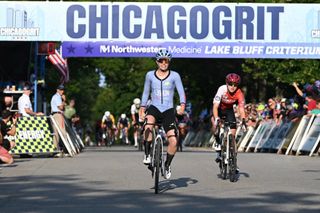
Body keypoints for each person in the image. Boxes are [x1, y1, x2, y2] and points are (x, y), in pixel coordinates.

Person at [139, 49, 186, 179]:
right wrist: (142, 108)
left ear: (169, 62)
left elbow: (181, 92)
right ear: (157, 62)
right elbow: (145, 92)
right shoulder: (149, 75)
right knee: (148, 127)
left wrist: (182, 106)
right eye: (161, 60)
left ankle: (167, 164)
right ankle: (147, 154)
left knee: (173, 141)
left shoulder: (175, 75)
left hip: (168, 110)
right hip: (154, 108)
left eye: (166, 61)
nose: (164, 63)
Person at [212, 73, 246, 172]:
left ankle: (234, 161)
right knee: (216, 126)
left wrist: (243, 120)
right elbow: (215, 107)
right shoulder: (222, 89)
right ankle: (218, 146)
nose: (232, 86)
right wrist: (216, 118)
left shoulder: (239, 93)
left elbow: (241, 108)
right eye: (230, 84)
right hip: (219, 109)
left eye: (235, 84)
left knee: (232, 135)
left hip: (229, 110)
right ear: (227, 83)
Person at [50, 84, 67, 154]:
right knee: (63, 132)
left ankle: (55, 149)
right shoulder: (57, 97)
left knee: (56, 133)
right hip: (58, 115)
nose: (62, 91)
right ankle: (66, 149)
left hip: (54, 114)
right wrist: (64, 100)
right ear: (57, 90)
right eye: (60, 90)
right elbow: (61, 108)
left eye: (63, 90)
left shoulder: (56, 97)